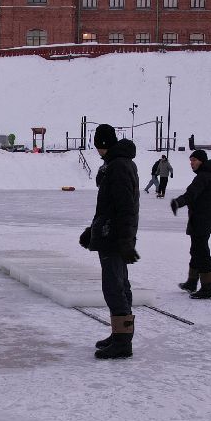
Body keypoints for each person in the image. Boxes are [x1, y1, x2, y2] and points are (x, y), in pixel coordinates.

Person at [79, 123, 139, 359]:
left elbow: (125, 208)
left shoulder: (118, 167)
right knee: (118, 284)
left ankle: (123, 342)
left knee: (114, 287)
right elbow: (109, 207)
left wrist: (124, 241)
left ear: (103, 144)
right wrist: (91, 231)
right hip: (110, 233)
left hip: (114, 236)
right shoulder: (118, 164)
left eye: (97, 145)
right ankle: (120, 333)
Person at [170, 149, 211, 299]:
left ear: (202, 161)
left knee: (202, 252)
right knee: (196, 250)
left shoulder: (203, 177)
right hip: (206, 219)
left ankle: (207, 288)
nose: (191, 163)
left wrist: (177, 202)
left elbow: (191, 194)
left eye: (194, 160)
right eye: (190, 160)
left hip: (202, 220)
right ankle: (192, 282)